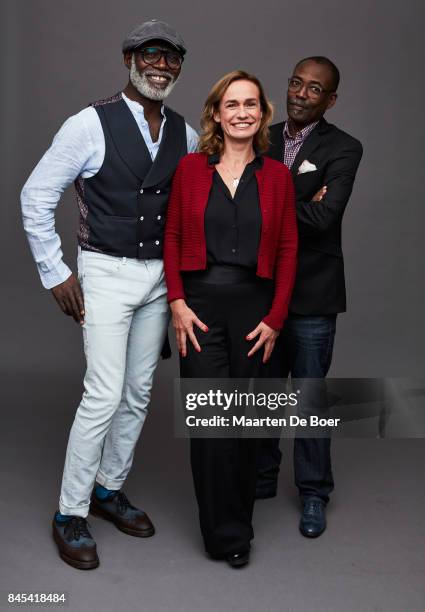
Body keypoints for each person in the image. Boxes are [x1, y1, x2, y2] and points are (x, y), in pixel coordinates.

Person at [21, 19, 198, 570]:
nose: (161, 66)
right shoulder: (88, 124)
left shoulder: (186, 134)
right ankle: (69, 512)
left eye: (170, 59)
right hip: (104, 272)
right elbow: (35, 196)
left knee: (139, 390)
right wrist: (55, 272)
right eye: (151, 54)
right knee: (103, 392)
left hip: (158, 279)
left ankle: (107, 489)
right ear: (129, 59)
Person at [164, 70, 298, 567]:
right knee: (209, 425)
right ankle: (219, 533)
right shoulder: (191, 169)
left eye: (251, 104)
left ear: (261, 114)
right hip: (197, 306)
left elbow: (287, 249)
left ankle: (239, 529)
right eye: (232, 104)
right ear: (217, 114)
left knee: (242, 424)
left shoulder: (278, 176)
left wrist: (277, 318)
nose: (242, 112)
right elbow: (173, 237)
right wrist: (176, 301)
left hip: (254, 311)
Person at [256, 56, 363, 538]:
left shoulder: (344, 147)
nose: (300, 93)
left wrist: (262, 204)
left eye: (314, 89)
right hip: (258, 290)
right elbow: (232, 204)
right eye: (295, 83)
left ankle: (314, 493)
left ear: (331, 99)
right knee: (260, 392)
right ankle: (258, 478)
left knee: (308, 397)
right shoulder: (262, 136)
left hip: (313, 295)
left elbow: (326, 218)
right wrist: (300, 202)